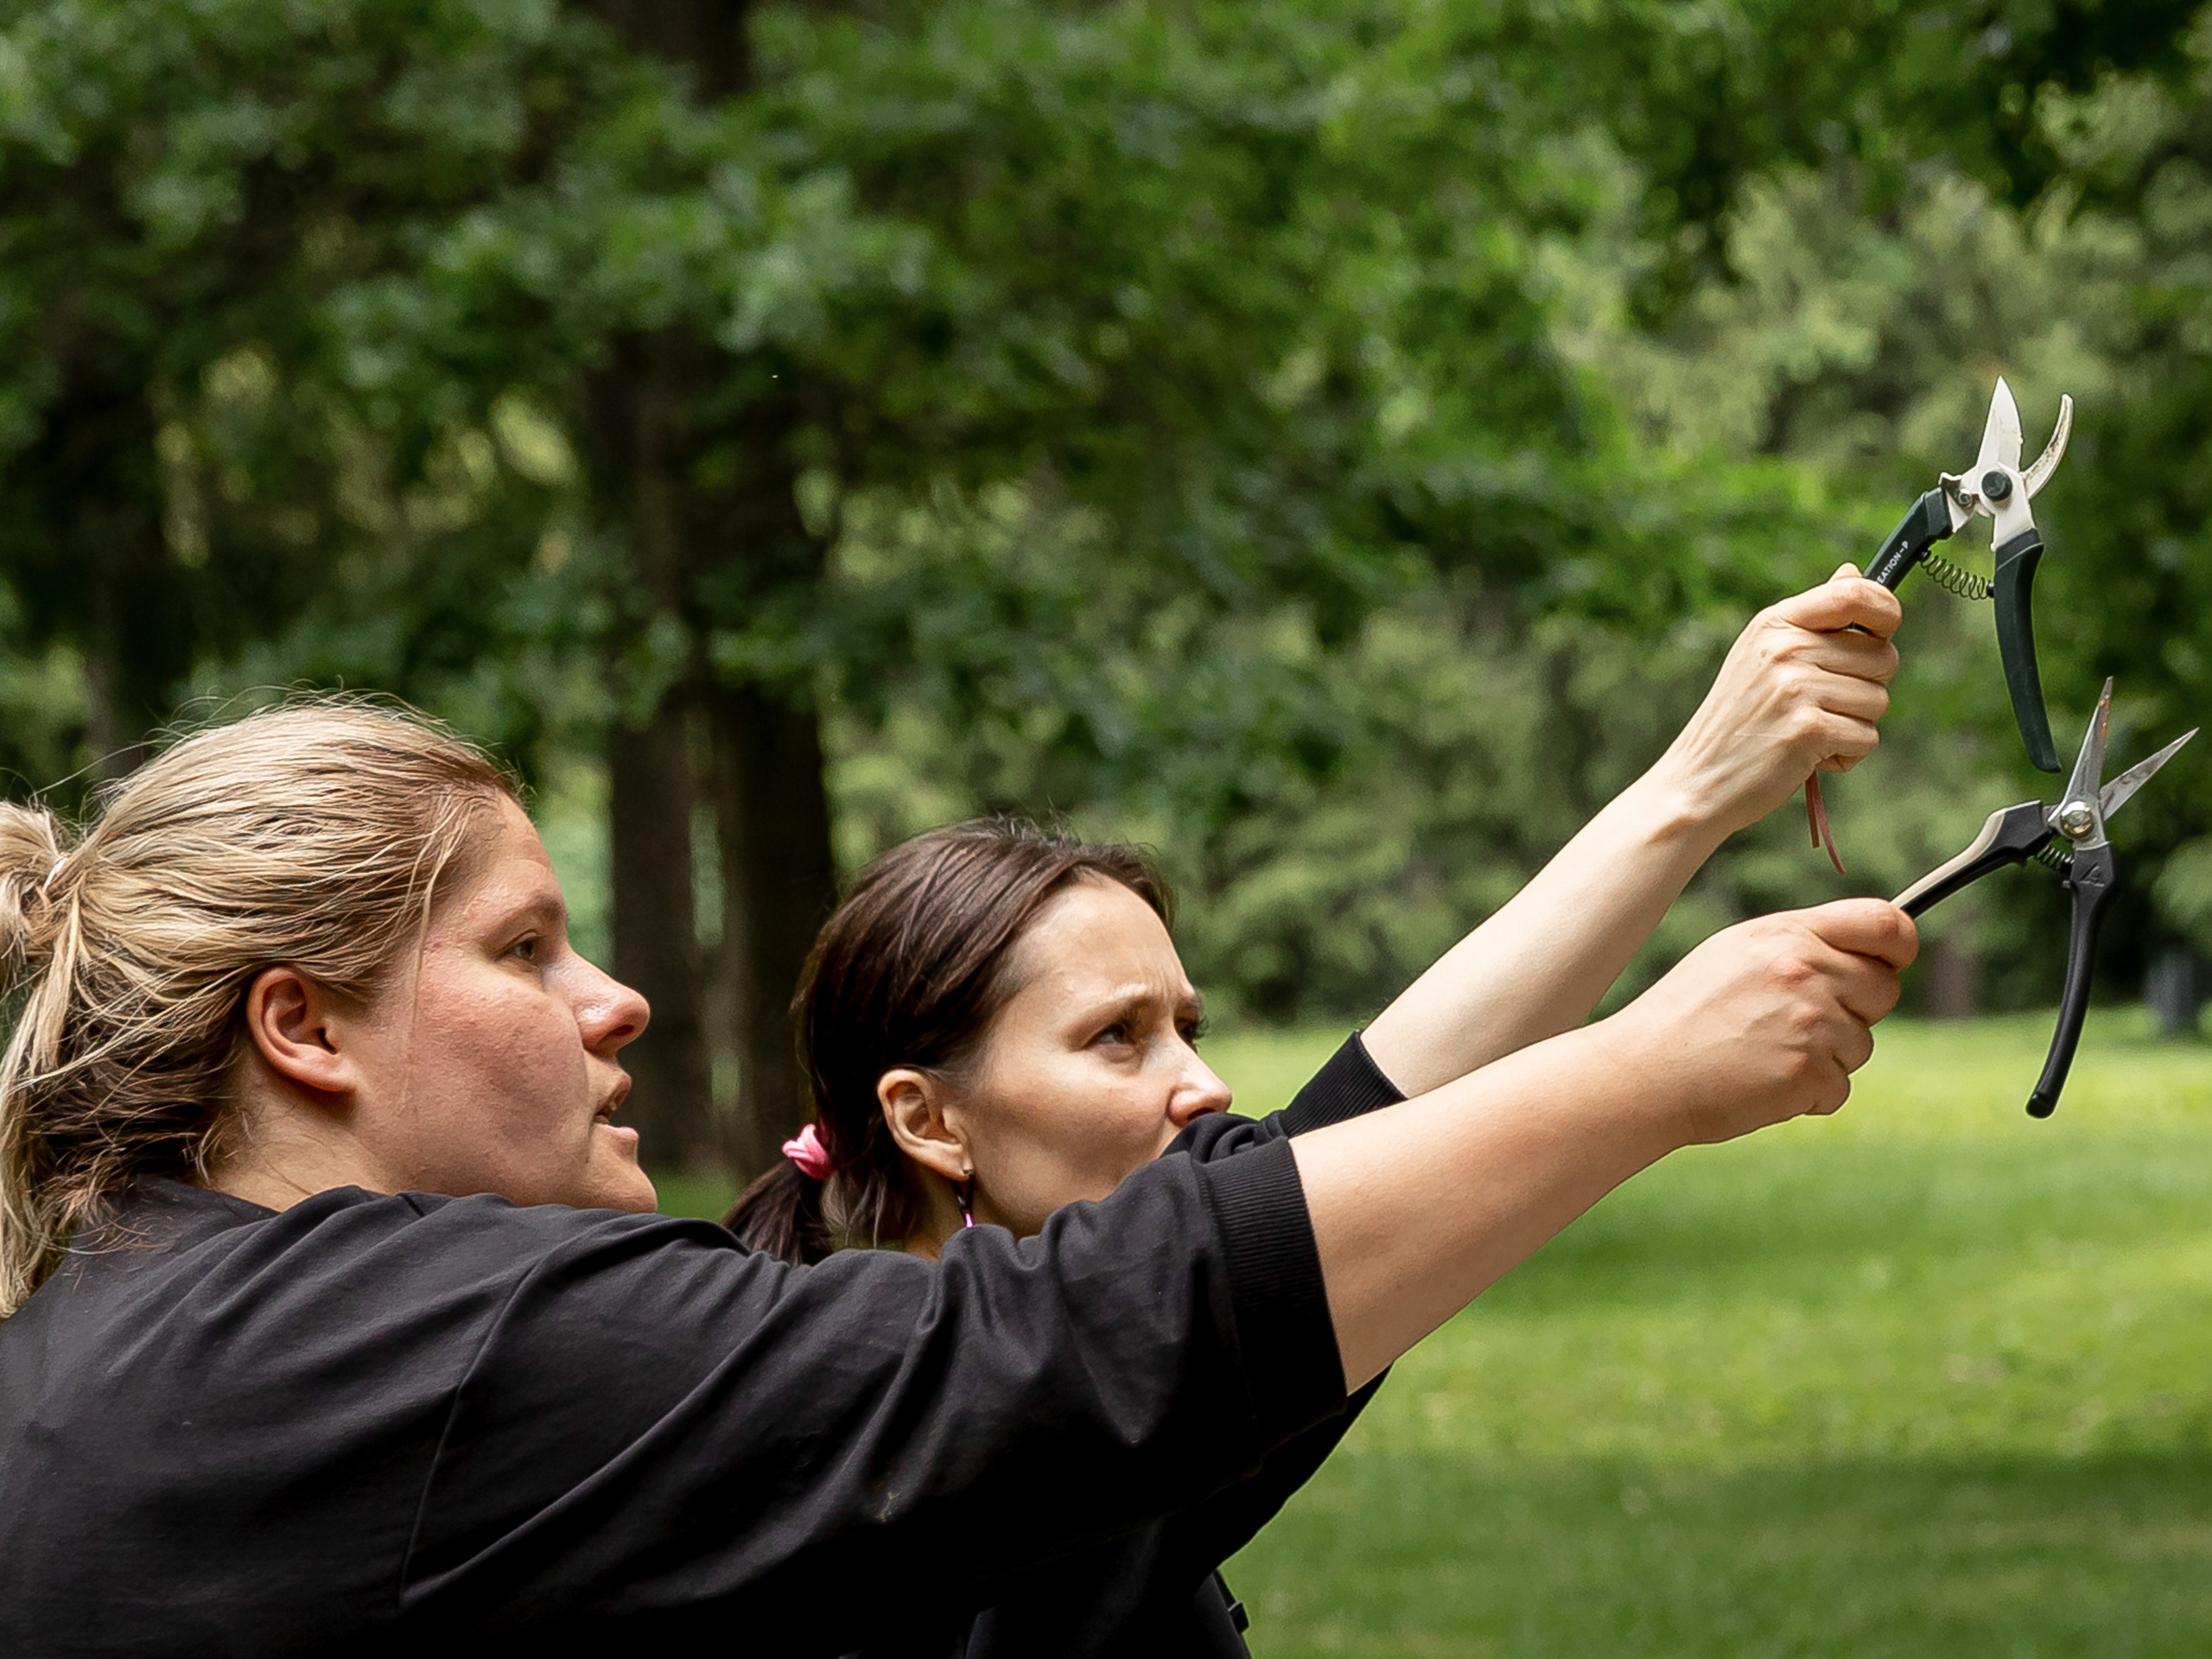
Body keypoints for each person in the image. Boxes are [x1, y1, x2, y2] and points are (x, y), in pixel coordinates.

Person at [0, 598, 1910, 1656]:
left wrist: (1678, 807)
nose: (618, 999)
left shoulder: (158, 1332)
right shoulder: (387, 1346)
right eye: (524, 947)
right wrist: (1649, 1071)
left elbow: (1234, 1251)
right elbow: (1088, 1339)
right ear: (302, 1026)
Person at [724, 569, 1908, 1653]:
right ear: (930, 1121)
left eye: (1190, 1026)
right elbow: (1328, 1193)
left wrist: (1693, 792)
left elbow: (1366, 1119)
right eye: (1116, 1038)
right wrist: (1657, 1055)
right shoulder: (944, 1466)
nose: (1203, 1084)